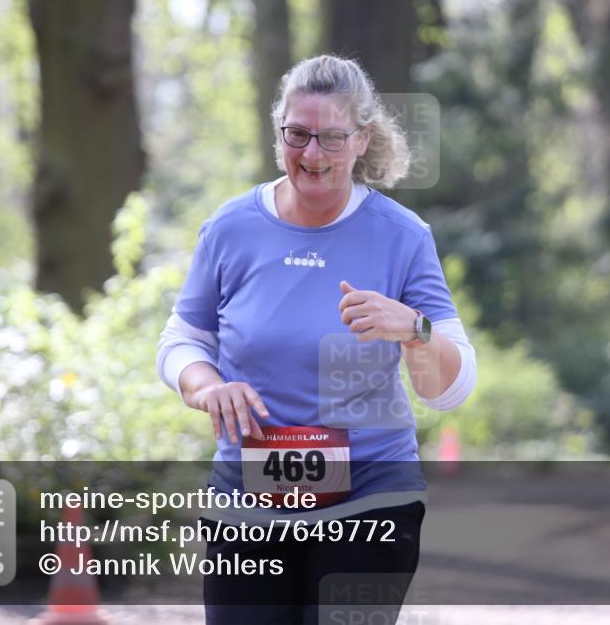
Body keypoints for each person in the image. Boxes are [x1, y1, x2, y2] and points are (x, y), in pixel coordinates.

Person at [157, 55, 476, 624]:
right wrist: (207, 388)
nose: (311, 155)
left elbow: (450, 391)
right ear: (279, 131)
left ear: (361, 140)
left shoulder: (402, 236)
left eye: (330, 138)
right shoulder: (230, 228)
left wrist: (413, 330)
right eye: (297, 135)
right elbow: (182, 340)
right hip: (249, 496)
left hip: (371, 496)